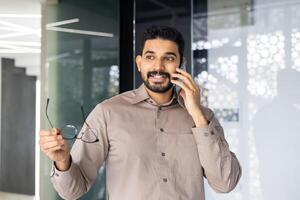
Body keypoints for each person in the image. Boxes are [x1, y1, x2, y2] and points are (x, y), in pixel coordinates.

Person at [39, 26, 242, 200]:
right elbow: (73, 191)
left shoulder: (204, 118)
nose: (158, 67)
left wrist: (197, 115)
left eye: (168, 58)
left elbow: (225, 183)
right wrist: (63, 161)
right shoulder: (108, 113)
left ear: (181, 64)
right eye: (150, 57)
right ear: (139, 63)